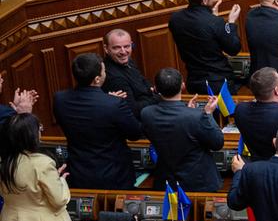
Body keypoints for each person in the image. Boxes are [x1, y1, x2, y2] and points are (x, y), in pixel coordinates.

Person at [54, 53, 144, 188]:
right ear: (97, 79)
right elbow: (135, 134)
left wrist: (109, 101)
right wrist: (112, 102)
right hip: (114, 176)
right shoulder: (114, 104)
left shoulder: (59, 99)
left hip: (79, 173)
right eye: (104, 71)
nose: (105, 73)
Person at [138, 68, 224, 193]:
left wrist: (189, 111)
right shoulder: (197, 117)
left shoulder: (147, 113)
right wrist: (208, 114)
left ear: (156, 88)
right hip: (198, 183)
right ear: (183, 86)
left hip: (167, 182)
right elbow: (217, 143)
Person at [0, 113, 76, 221]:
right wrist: (61, 181)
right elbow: (59, 200)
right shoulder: (42, 163)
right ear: (31, 136)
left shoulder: (4, 163)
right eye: (39, 129)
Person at [169, 0, 243, 92]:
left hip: (194, 82)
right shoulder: (215, 23)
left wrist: (212, 17)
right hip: (219, 84)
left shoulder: (175, 19)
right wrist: (231, 23)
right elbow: (233, 48)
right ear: (204, 1)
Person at [99, 28, 157, 113]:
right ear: (106, 49)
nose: (123, 52)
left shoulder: (126, 60)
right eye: (117, 48)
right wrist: (159, 98)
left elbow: (142, 80)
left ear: (131, 44)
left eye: (127, 46)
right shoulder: (114, 78)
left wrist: (155, 90)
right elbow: (134, 110)